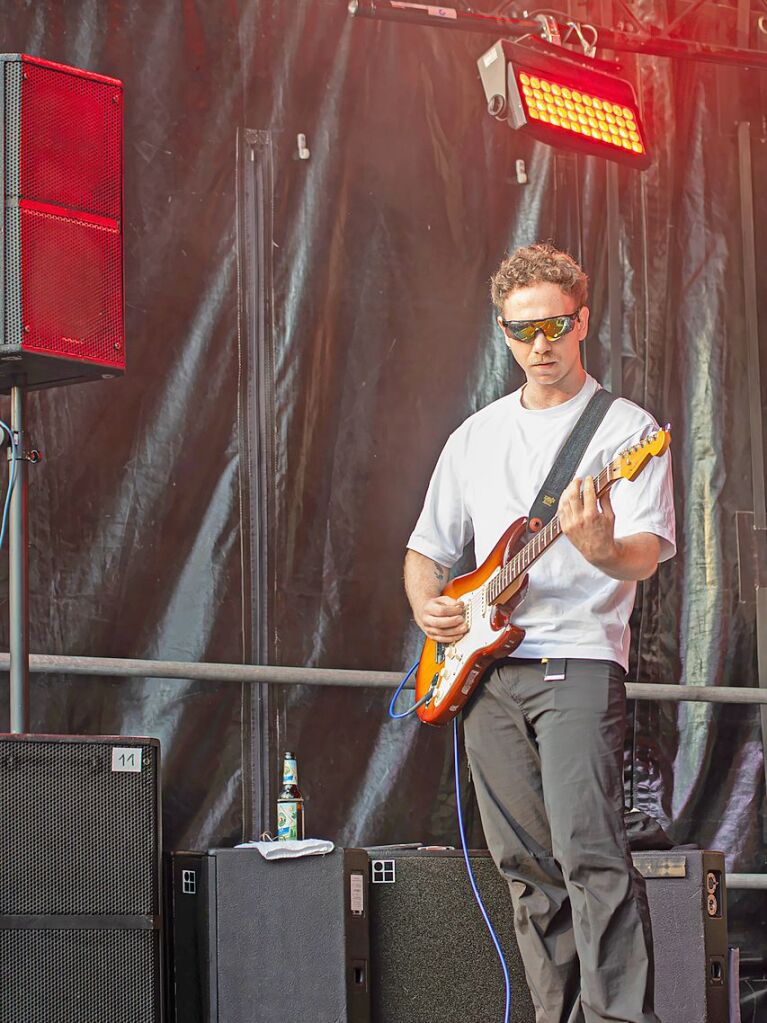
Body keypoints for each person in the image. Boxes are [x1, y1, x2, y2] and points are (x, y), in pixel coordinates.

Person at [404, 243, 675, 1023]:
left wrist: (598, 548)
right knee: (523, 865)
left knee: (590, 854)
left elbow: (645, 556)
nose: (540, 344)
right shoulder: (474, 437)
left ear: (581, 320)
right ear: (503, 334)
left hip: (578, 661)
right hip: (486, 671)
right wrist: (429, 604)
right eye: (521, 331)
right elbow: (425, 549)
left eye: (555, 324)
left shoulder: (626, 431)